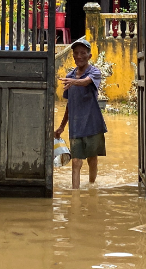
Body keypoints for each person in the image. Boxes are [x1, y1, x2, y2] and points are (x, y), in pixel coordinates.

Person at [54, 38, 108, 189]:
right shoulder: (69, 76)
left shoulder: (94, 72)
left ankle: (92, 186)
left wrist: (73, 82)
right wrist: (61, 127)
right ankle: (75, 195)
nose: (79, 56)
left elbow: (85, 82)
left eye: (83, 53)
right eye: (76, 53)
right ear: (73, 56)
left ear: (89, 56)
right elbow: (70, 104)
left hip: (92, 124)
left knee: (92, 159)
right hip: (76, 126)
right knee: (76, 162)